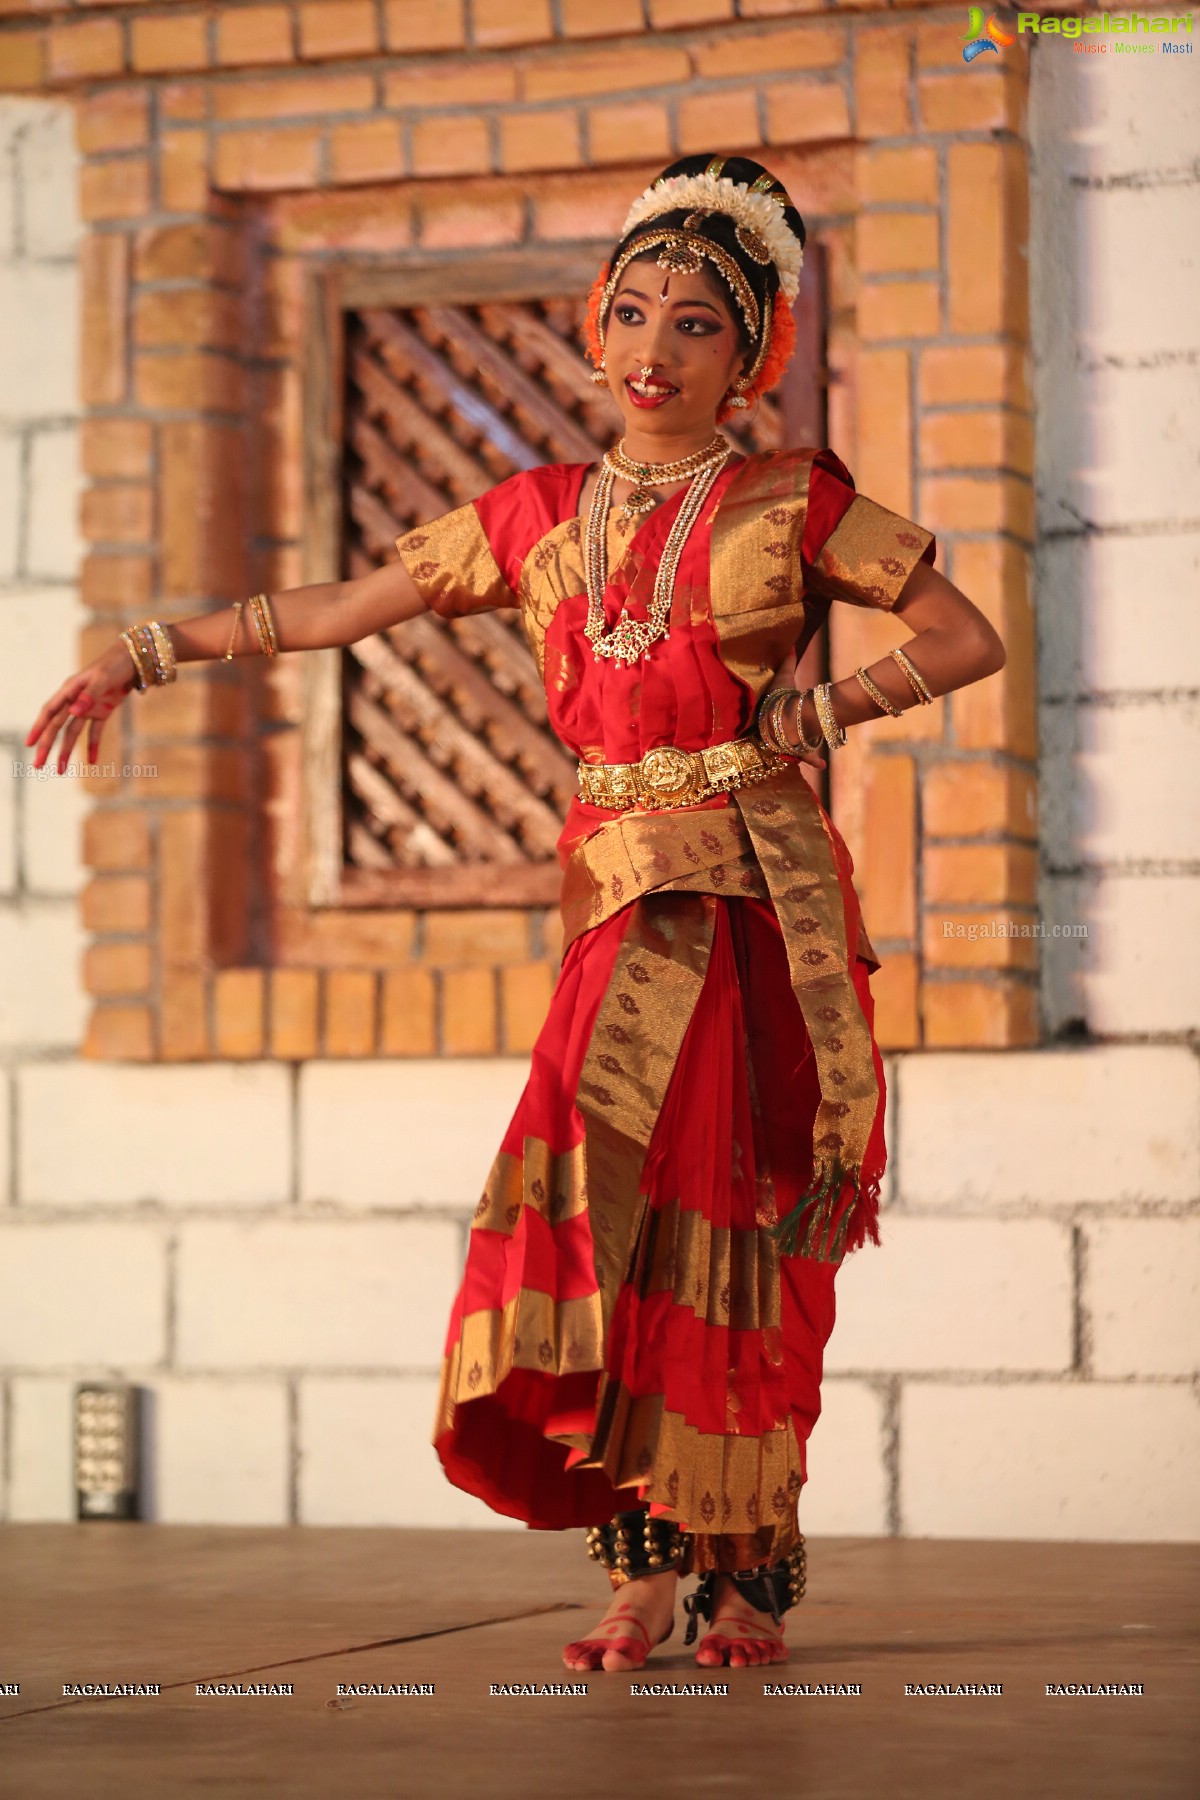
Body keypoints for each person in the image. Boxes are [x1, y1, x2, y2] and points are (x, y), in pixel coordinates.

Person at [26, 153, 1005, 1675]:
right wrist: (146, 651)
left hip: (754, 903)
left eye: (696, 324)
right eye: (632, 312)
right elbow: (347, 607)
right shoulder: (537, 514)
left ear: (751, 360)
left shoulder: (789, 499)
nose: (655, 349)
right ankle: (639, 1566)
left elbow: (963, 633)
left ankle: (743, 1573)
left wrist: (832, 703)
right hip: (621, 899)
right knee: (596, 1204)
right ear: (590, 326)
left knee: (744, 1221)